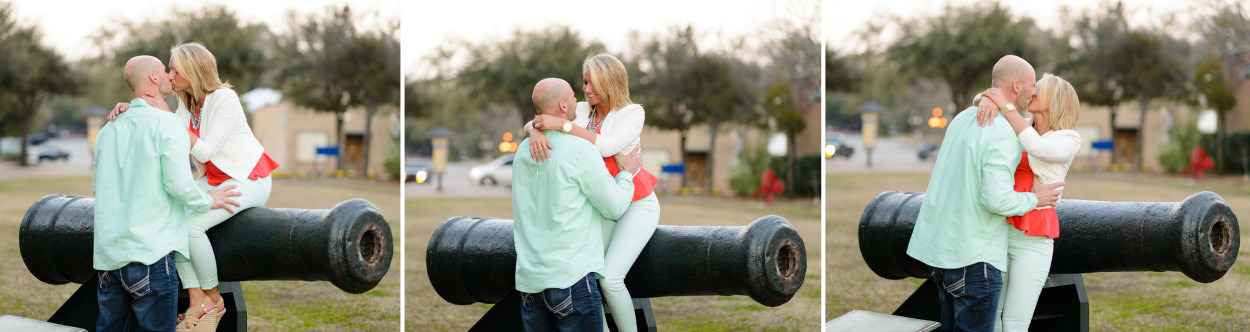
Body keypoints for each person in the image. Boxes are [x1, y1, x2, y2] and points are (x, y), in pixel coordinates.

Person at [109, 42, 279, 332]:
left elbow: (204, 152)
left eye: (174, 70)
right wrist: (133, 110)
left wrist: (166, 117)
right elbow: (168, 134)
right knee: (171, 221)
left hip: (248, 178)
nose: (169, 76)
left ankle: (213, 298)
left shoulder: (224, 99)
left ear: (191, 70)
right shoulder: (187, 103)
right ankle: (196, 297)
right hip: (214, 179)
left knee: (190, 226)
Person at [905, 55, 1064, 332]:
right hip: (974, 258)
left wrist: (986, 98)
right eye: (1031, 86)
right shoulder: (1002, 131)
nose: (1033, 92)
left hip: (942, 254)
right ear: (1016, 86)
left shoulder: (962, 119)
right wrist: (1035, 199)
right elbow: (997, 199)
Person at [93, 55, 241, 332]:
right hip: (150, 254)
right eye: (165, 70)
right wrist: (210, 200)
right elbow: (179, 185)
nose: (170, 76)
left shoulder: (107, 131)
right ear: (153, 78)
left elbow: (98, 189)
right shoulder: (167, 125)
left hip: (108, 257)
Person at [526, 54, 660, 332]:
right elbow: (537, 121)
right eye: (585, 82)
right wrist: (534, 132)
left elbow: (607, 146)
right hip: (603, 203)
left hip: (636, 204)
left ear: (610, 83)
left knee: (610, 278)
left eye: (592, 83)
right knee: (586, 277)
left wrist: (562, 126)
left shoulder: (633, 113)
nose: (586, 89)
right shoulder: (584, 110)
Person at [974, 73, 1082, 332]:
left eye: (1038, 88)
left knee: (1014, 323)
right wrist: (986, 100)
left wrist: (1004, 106)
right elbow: (980, 99)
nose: (1031, 91)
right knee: (992, 317)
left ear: (1054, 100)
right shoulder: (1020, 123)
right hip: (999, 229)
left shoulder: (1068, 138)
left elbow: (1038, 148)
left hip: (1033, 240)